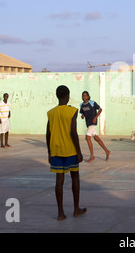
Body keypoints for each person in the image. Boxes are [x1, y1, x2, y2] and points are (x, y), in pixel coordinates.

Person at [46, 85, 86, 221]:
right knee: (75, 178)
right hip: (70, 150)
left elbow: (48, 134)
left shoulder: (50, 113)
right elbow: (73, 133)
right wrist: (79, 152)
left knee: (59, 181)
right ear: (68, 95)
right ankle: (76, 209)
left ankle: (60, 213)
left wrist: (49, 152)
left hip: (56, 150)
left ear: (57, 95)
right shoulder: (72, 111)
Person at [80, 91, 110, 162]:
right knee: (96, 138)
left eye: (85, 96)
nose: (84, 97)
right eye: (83, 96)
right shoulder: (81, 105)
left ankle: (92, 156)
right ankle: (107, 151)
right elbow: (83, 113)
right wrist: (82, 116)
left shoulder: (92, 103)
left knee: (87, 137)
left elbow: (100, 109)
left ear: (88, 96)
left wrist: (95, 117)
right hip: (88, 123)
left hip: (93, 122)